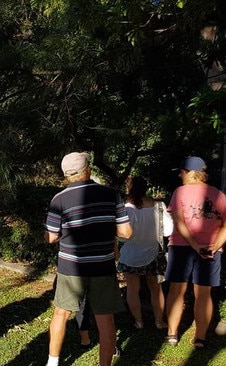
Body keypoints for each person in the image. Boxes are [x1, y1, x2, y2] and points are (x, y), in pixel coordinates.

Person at [45, 152, 132, 366]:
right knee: (106, 319)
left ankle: (52, 362)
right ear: (88, 170)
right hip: (102, 265)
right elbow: (126, 233)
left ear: (66, 175)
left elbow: (52, 237)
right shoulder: (111, 195)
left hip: (71, 267)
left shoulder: (59, 199)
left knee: (61, 312)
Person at [165, 156, 226, 349]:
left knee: (177, 291)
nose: (180, 176)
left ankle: (172, 334)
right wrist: (216, 245)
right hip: (210, 249)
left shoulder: (180, 192)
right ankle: (200, 338)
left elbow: (179, 222)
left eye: (182, 172)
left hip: (182, 246)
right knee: (204, 293)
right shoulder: (219, 194)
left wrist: (193, 244)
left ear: (191, 173)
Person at [117, 176, 171, 330]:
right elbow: (168, 230)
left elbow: (121, 236)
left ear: (129, 188)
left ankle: (138, 321)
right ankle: (159, 321)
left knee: (132, 289)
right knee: (156, 288)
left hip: (130, 255)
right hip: (153, 254)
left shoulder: (126, 209)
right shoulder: (159, 206)